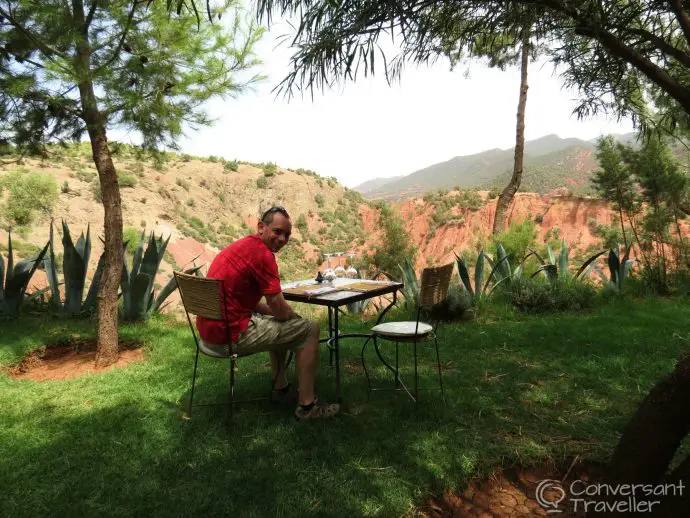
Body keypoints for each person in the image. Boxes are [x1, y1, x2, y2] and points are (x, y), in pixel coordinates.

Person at [196, 206, 340, 420]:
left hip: (209, 331)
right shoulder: (263, 255)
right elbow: (278, 305)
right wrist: (296, 320)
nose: (282, 239)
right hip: (228, 335)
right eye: (278, 231)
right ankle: (308, 407)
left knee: (280, 323)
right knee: (310, 329)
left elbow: (256, 304)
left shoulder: (241, 246)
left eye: (287, 235)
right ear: (261, 227)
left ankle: (281, 388)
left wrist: (283, 317)